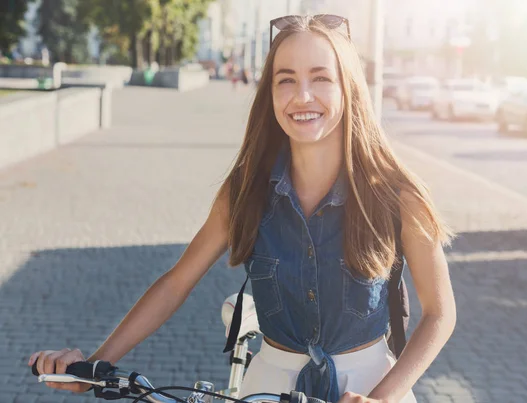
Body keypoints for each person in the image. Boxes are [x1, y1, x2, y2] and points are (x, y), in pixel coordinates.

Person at [28, 15, 456, 403]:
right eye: (285, 79)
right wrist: (95, 366)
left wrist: (383, 398)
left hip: (373, 384)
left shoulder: (396, 195)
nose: (302, 95)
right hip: (268, 384)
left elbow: (440, 313)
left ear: (349, 88)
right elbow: (177, 283)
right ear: (269, 93)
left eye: (321, 77)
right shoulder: (244, 192)